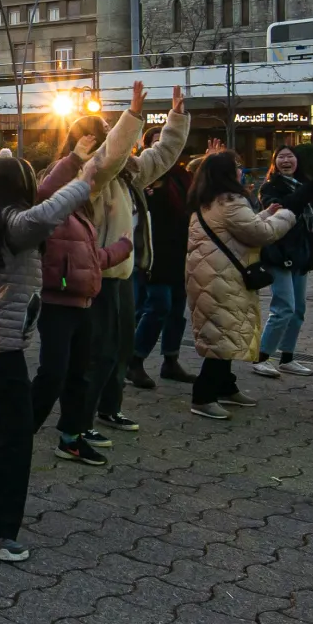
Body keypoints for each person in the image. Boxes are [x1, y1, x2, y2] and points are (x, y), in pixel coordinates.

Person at [0, 149, 107, 560]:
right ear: (16, 189)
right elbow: (44, 215)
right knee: (17, 433)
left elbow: (44, 200)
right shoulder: (11, 222)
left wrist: (78, 163)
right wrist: (84, 179)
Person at [30, 107, 141, 467]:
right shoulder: (58, 182)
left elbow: (87, 254)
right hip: (57, 297)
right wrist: (75, 159)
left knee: (79, 372)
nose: (98, 163)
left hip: (83, 296)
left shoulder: (87, 202)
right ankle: (18, 432)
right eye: (97, 145)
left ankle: (72, 438)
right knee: (53, 373)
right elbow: (43, 196)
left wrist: (121, 249)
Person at [77, 86, 189, 435]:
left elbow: (163, 155)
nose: (114, 136)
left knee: (122, 348)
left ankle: (110, 408)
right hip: (97, 273)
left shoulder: (129, 173)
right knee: (100, 352)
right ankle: (79, 421)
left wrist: (176, 118)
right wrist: (134, 115)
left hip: (124, 271)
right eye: (106, 132)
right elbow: (108, 158)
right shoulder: (89, 174)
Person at [184, 150, 297, 418]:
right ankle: (204, 396)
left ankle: (225, 385)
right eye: (236, 166)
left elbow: (237, 231)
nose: (240, 170)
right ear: (225, 173)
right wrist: (285, 216)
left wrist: (264, 214)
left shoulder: (208, 200)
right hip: (221, 278)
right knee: (221, 334)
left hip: (211, 276)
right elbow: (261, 235)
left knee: (225, 332)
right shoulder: (231, 201)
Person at [252, 146, 313, 379]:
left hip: (301, 256)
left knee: (298, 311)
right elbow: (286, 210)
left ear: (297, 161)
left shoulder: (303, 187)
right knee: (284, 308)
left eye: (289, 156)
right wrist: (306, 190)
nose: (285, 160)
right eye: (280, 156)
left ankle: (287, 358)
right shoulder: (270, 187)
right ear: (275, 162)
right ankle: (261, 357)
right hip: (279, 255)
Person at [127, 126, 197, 388]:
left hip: (179, 251)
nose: (162, 148)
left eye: (165, 144)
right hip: (152, 253)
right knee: (158, 306)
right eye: (156, 143)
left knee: (177, 308)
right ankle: (134, 359)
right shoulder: (141, 178)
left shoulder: (181, 176)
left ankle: (171, 359)